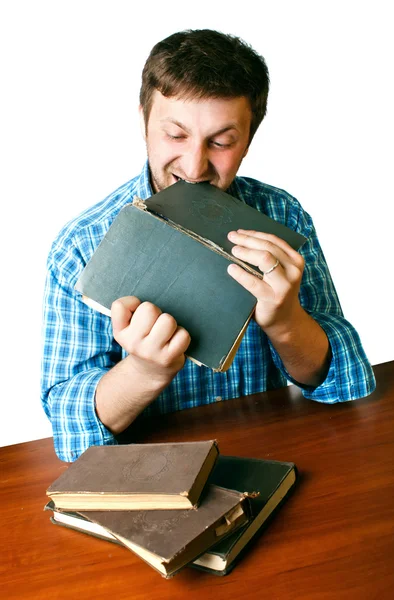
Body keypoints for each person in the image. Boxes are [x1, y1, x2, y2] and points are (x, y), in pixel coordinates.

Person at [41, 29, 375, 462]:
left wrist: (288, 322)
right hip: (152, 477)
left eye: (221, 142)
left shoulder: (282, 216)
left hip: (272, 459)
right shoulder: (80, 245)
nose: (195, 166)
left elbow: (346, 381)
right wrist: (143, 371)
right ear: (144, 120)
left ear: (249, 140)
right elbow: (69, 428)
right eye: (176, 136)